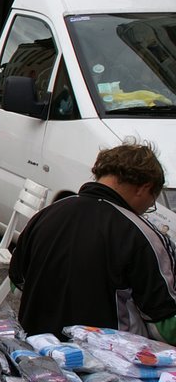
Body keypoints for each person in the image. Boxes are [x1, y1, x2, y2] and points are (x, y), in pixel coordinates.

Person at [9, 142, 176, 341]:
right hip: (109, 360)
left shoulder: (44, 215)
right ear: (144, 188)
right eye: (151, 202)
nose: (146, 209)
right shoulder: (141, 235)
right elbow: (164, 325)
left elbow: (16, 286)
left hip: (36, 352)